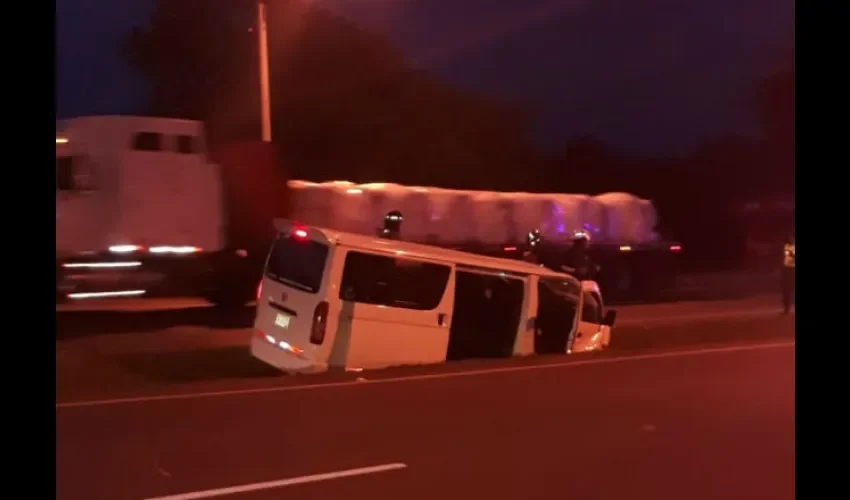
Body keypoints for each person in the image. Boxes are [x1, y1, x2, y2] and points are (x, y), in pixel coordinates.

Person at [781, 234, 795, 314]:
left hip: (790, 269)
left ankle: (787, 308)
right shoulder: (787, 247)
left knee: (787, 289)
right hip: (788, 270)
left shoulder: (789, 247)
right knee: (787, 290)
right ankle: (787, 308)